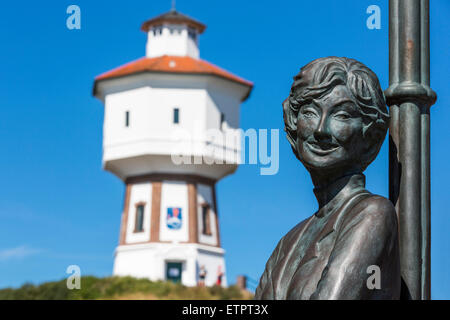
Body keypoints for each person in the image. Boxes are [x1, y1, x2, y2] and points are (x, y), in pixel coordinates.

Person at [254, 57, 401, 300]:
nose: (321, 130)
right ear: (294, 123)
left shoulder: (371, 214)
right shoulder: (287, 243)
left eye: (342, 116)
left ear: (371, 136)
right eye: (310, 112)